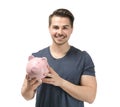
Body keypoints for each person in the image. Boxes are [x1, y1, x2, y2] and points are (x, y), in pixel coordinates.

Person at [21, 8, 97, 107]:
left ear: (71, 29)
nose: (60, 32)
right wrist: (29, 87)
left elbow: (90, 96)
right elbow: (27, 96)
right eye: (56, 27)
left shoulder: (83, 58)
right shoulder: (37, 58)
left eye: (65, 27)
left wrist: (61, 82)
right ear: (49, 28)